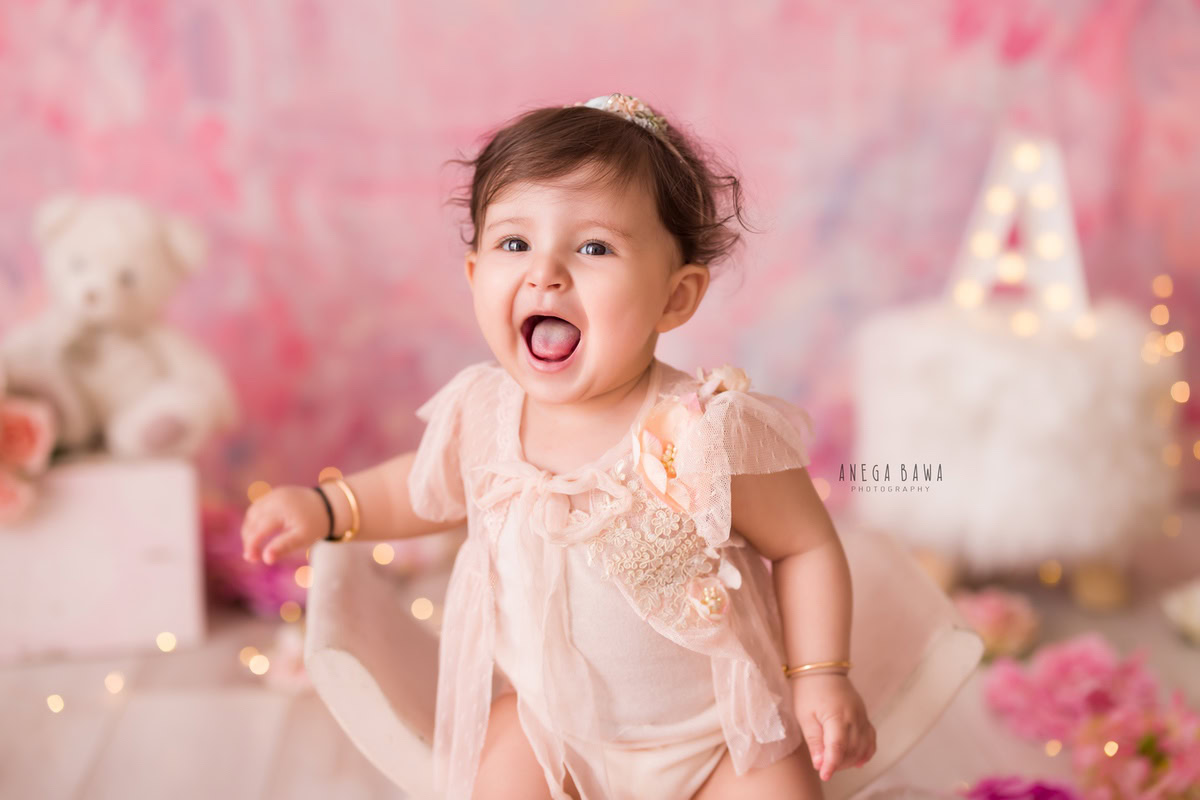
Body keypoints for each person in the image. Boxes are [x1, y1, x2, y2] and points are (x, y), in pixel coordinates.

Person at [241, 93, 876, 800]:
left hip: (718, 735)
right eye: (515, 244)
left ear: (675, 297)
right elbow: (415, 489)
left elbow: (805, 546)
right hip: (551, 730)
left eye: (594, 248)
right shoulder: (484, 414)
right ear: (476, 275)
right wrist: (328, 507)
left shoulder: (705, 429)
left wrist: (820, 675)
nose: (545, 272)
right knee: (501, 770)